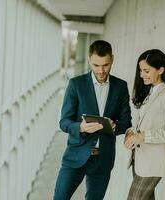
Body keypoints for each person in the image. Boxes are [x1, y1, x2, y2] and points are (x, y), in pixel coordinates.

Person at [53, 40, 132, 200]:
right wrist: (80, 127)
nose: (101, 70)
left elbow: (126, 122)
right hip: (75, 156)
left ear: (112, 59)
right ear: (90, 60)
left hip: (103, 160)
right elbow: (64, 122)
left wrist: (114, 125)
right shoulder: (76, 84)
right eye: (96, 65)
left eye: (105, 65)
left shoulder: (121, 87)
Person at [124, 49, 165, 200]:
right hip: (139, 160)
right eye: (140, 70)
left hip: (153, 164)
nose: (142, 74)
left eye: (146, 70)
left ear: (161, 70)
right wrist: (131, 133)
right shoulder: (150, 92)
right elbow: (141, 123)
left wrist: (142, 137)